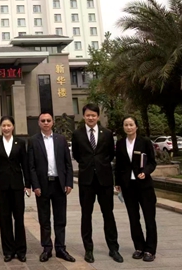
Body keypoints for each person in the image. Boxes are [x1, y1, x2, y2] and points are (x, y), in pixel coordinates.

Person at [71, 103, 122, 263]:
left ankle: (113, 248)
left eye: (93, 115)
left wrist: (100, 165)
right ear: (84, 116)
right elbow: (77, 155)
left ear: (98, 116)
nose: (91, 118)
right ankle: (88, 249)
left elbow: (110, 154)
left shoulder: (107, 133)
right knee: (86, 215)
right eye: (88, 115)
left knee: (108, 214)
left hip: (104, 180)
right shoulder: (77, 134)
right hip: (86, 181)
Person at [29, 112, 75, 263]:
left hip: (59, 184)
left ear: (52, 122)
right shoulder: (33, 141)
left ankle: (61, 248)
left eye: (48, 120)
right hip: (42, 186)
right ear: (39, 123)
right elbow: (31, 166)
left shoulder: (61, 140)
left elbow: (68, 164)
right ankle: (47, 248)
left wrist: (69, 183)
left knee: (60, 218)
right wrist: (35, 185)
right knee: (44, 219)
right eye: (43, 120)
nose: (46, 123)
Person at [114, 116, 158, 262]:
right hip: (128, 186)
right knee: (133, 218)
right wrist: (117, 182)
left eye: (131, 125)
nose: (128, 127)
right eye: (126, 125)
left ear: (136, 126)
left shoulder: (145, 142)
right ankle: (139, 247)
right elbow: (118, 165)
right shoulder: (120, 143)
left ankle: (150, 250)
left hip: (144, 186)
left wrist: (145, 172)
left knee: (149, 218)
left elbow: (152, 162)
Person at [0, 115, 31, 263]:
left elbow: (25, 165)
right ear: (1, 127)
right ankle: (8, 251)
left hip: (17, 185)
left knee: (19, 218)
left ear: (13, 127)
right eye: (4, 126)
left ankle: (21, 250)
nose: (6, 128)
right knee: (5, 218)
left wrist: (28, 184)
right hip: (2, 186)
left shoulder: (20, 142)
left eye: (8, 125)